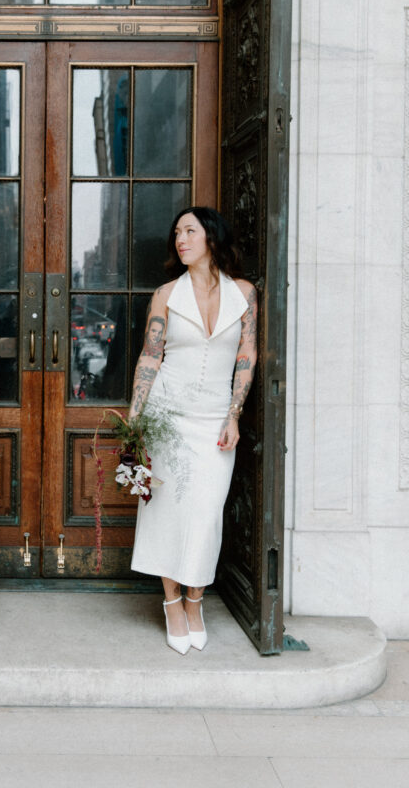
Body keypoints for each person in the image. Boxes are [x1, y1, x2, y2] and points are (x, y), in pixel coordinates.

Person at [129, 207, 257, 654]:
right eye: (177, 232)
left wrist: (234, 414)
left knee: (205, 513)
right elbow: (150, 355)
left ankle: (196, 599)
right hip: (167, 414)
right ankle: (171, 603)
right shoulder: (166, 294)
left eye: (190, 231)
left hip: (214, 419)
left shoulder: (244, 294)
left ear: (212, 238)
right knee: (168, 510)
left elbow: (247, 356)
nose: (180, 239)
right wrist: (136, 416)